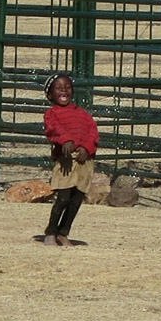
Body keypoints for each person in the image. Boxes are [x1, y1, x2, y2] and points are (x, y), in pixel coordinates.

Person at [42, 73, 99, 246]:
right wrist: (66, 140)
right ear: (50, 95)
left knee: (76, 199)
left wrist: (86, 147)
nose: (64, 91)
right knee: (64, 198)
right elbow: (53, 130)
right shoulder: (51, 114)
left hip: (84, 160)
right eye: (58, 88)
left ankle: (63, 232)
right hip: (66, 160)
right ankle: (51, 231)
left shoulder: (83, 114)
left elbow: (93, 132)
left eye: (67, 87)